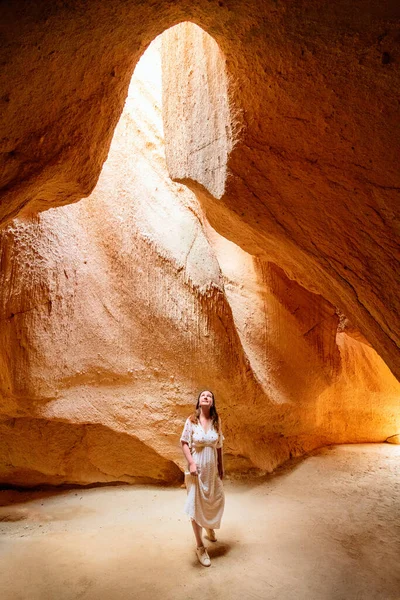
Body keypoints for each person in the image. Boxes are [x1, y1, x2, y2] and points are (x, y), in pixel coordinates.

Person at [180, 389, 225, 567]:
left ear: (212, 402)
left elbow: (219, 444)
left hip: (211, 469)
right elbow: (184, 442)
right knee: (195, 504)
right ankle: (200, 547)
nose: (206, 397)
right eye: (203, 396)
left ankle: (208, 525)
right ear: (199, 402)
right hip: (196, 470)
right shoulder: (191, 420)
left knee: (215, 499)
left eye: (210, 396)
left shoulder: (216, 421)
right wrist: (191, 463)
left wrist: (221, 466)